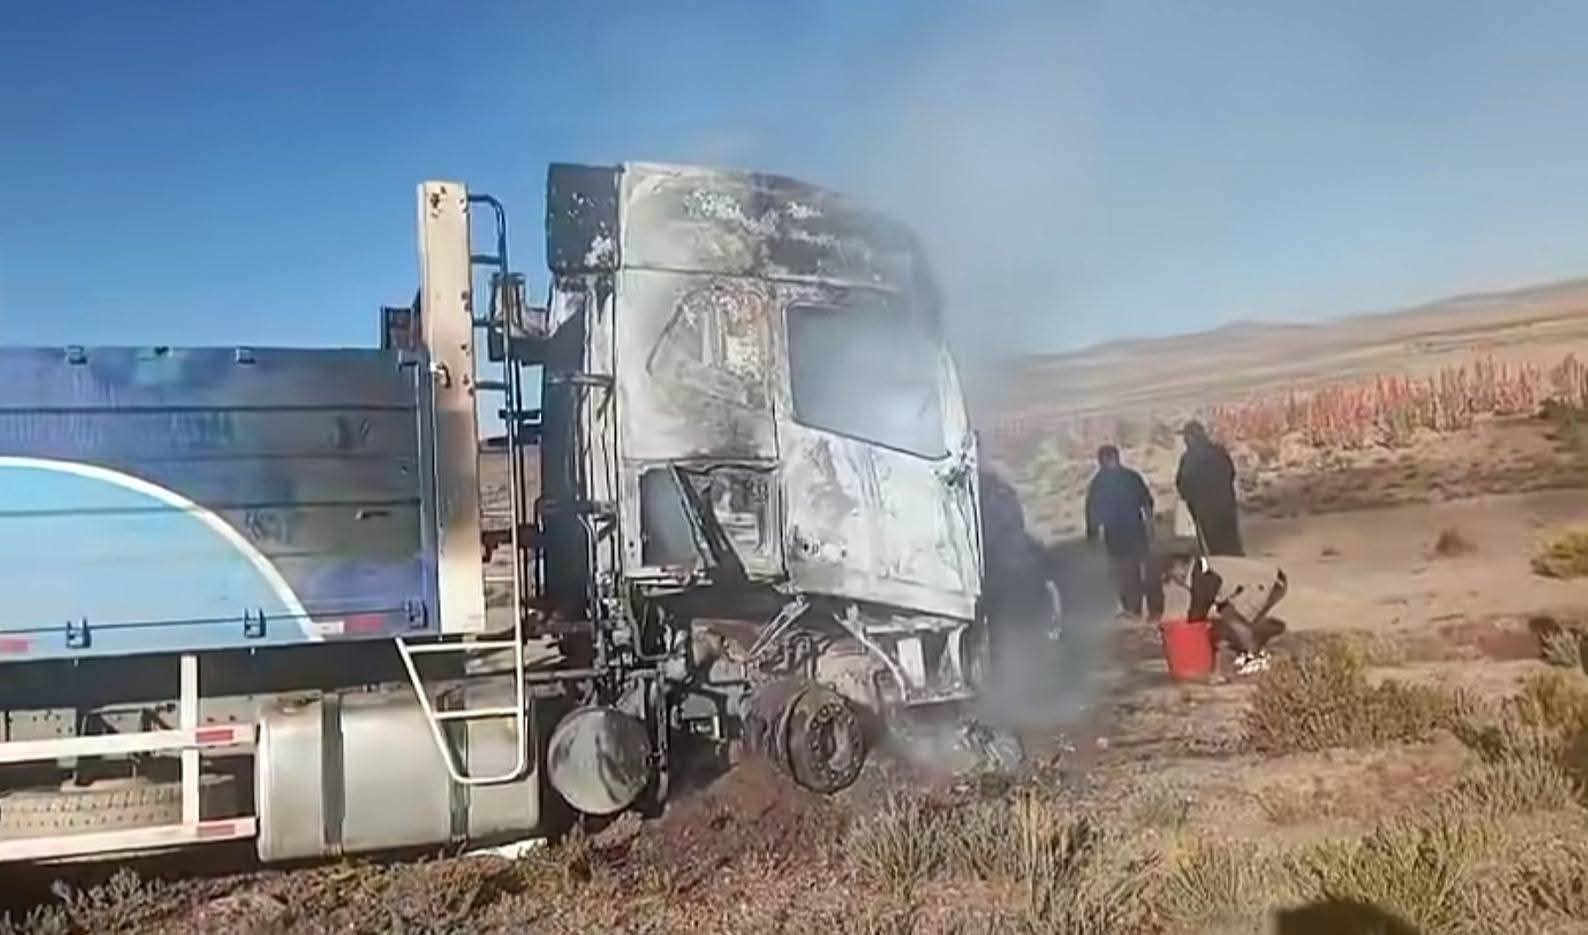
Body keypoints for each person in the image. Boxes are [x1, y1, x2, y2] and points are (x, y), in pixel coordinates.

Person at [1085, 445, 1163, 620]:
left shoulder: (1102, 483)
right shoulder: (1126, 477)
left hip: (1125, 535)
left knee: (1137, 575)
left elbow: (1146, 502)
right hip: (1126, 535)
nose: (1110, 463)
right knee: (1132, 575)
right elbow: (1147, 502)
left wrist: (1093, 535)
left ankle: (1143, 610)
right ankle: (1141, 610)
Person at [1175, 420, 1244, 556]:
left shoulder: (1188, 459)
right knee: (1233, 543)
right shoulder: (1219, 451)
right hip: (1226, 507)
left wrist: (1193, 504)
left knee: (1215, 550)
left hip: (1206, 512)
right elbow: (1231, 473)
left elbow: (1182, 486)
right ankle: (1240, 571)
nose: (1184, 440)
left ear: (1191, 438)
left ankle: (1225, 573)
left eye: (1185, 437)